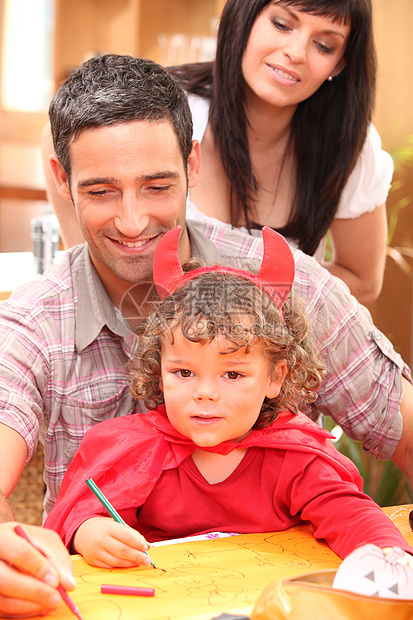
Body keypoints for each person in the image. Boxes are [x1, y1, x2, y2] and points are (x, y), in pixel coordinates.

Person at [0, 53, 411, 617]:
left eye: (156, 185)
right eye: (100, 192)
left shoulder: (298, 288)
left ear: (192, 165)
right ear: (61, 179)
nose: (132, 221)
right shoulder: (35, 320)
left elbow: (402, 428)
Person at [44, 226, 413, 578]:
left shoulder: (294, 459)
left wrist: (387, 556)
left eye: (232, 374)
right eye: (184, 373)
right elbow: (79, 512)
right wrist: (89, 532)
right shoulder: (135, 450)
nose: (205, 393)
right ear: (159, 371)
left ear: (275, 377)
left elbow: (349, 514)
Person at [42, 0, 391, 305]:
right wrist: (98, 265)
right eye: (282, 24)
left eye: (324, 45)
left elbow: (364, 280)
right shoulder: (171, 113)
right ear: (244, 15)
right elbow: (55, 137)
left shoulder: (348, 145)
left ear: (340, 64)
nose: (296, 52)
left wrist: (241, 308)